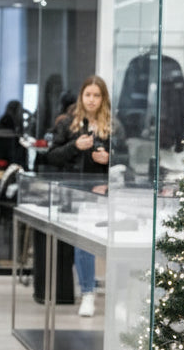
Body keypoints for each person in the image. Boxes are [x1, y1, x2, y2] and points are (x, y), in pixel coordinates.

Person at [45, 75, 126, 317]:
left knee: (113, 244)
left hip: (104, 193)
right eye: (88, 95)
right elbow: (51, 156)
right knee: (83, 245)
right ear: (81, 96)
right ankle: (87, 293)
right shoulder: (67, 123)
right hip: (75, 194)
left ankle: (117, 296)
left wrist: (110, 159)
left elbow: (128, 160)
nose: (92, 100)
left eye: (96, 95)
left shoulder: (113, 125)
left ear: (103, 99)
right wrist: (74, 147)